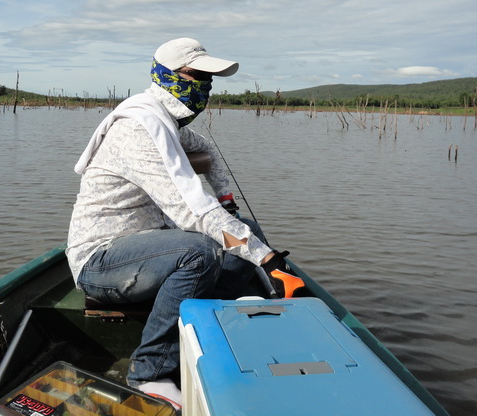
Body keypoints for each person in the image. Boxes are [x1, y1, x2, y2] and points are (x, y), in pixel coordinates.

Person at [66, 38, 302, 410]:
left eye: (210, 78)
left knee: (247, 232)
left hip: (153, 244)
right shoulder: (139, 126)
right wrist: (270, 261)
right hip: (102, 260)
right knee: (201, 251)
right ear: (166, 75)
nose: (205, 86)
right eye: (197, 75)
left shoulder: (167, 121)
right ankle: (150, 373)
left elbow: (210, 151)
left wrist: (229, 204)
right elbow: (194, 212)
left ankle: (225, 318)